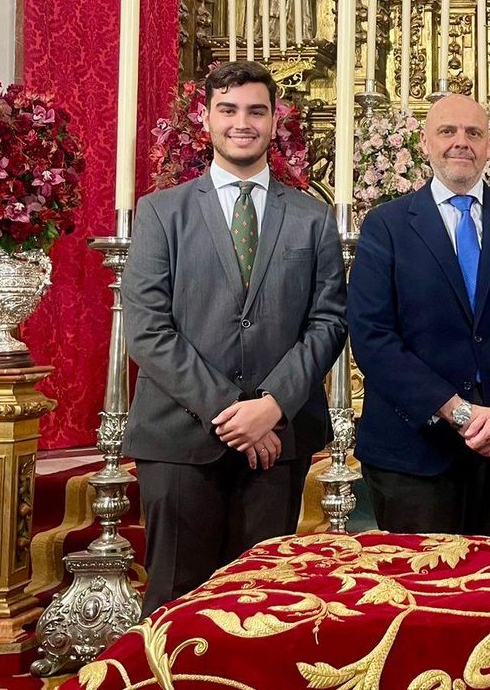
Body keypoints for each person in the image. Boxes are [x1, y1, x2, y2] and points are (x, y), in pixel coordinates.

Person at [123, 61, 346, 612]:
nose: (241, 123)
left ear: (274, 122)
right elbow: (148, 330)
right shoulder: (161, 212)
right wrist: (233, 412)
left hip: (278, 440)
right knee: (175, 599)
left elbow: (328, 322)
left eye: (255, 111)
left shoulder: (313, 218)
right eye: (228, 110)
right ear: (206, 119)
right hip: (178, 437)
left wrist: (272, 406)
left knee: (262, 603)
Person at [349, 94, 490, 535]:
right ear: (425, 143)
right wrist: (456, 411)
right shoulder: (386, 225)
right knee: (422, 579)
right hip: (414, 451)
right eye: (447, 131)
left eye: (474, 133)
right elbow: (372, 334)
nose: (461, 142)